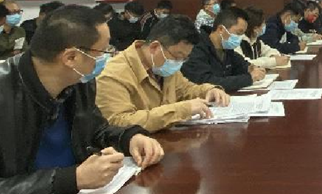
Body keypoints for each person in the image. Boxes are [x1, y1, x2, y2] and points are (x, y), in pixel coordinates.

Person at [0, 5, 163, 194]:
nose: (107, 58)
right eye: (103, 52)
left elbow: (96, 128)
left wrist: (130, 137)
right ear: (71, 57)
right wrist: (73, 179)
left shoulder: (77, 81)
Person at [96, 14, 230, 132]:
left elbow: (185, 90)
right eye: (177, 56)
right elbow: (119, 122)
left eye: (185, 58)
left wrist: (209, 90)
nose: (179, 63)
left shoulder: (162, 66)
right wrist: (181, 110)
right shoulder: (114, 74)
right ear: (155, 47)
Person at [182, 7, 267, 92]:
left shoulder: (227, 49)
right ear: (221, 29)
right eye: (238, 33)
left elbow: (241, 65)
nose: (240, 38)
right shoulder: (195, 48)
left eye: (242, 34)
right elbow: (207, 82)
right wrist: (249, 78)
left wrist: (251, 68)